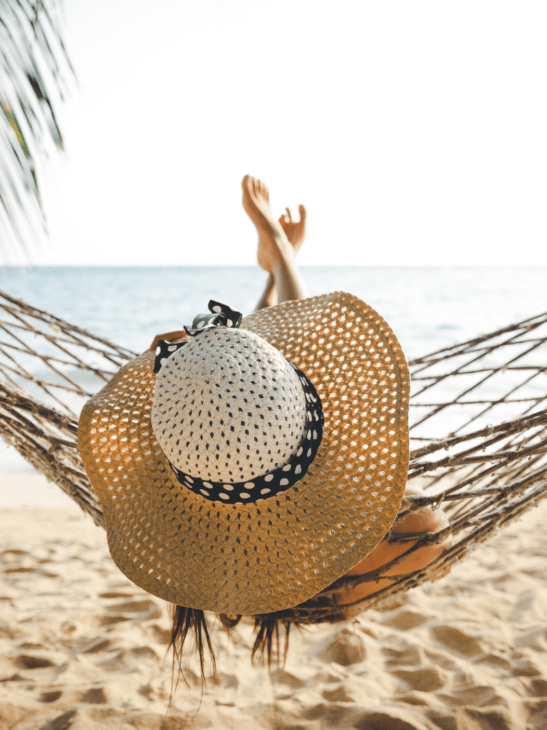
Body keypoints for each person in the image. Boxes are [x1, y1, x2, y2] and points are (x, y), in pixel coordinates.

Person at [78, 176, 449, 683]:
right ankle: (278, 262)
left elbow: (243, 388)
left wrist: (277, 269)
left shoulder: (193, 525)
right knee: (426, 522)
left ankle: (276, 267)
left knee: (242, 382)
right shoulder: (370, 514)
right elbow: (283, 362)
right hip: (337, 570)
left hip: (246, 551)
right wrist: (280, 255)